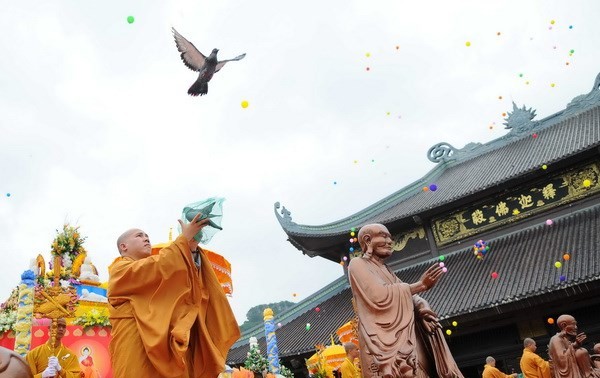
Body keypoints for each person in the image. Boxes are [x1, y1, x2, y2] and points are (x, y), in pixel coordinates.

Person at [108, 213, 240, 378]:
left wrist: (190, 248)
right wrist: (182, 241)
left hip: (163, 345)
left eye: (147, 236)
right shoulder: (119, 270)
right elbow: (156, 267)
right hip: (135, 346)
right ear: (123, 247)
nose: (146, 238)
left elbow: (184, 287)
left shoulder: (157, 270)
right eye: (139, 235)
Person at [347, 223, 464, 378]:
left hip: (405, 336)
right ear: (368, 240)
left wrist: (423, 309)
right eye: (383, 236)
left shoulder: (387, 270)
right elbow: (379, 295)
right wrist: (420, 285)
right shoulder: (357, 264)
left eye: (390, 237)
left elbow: (412, 296)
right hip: (379, 339)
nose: (389, 241)